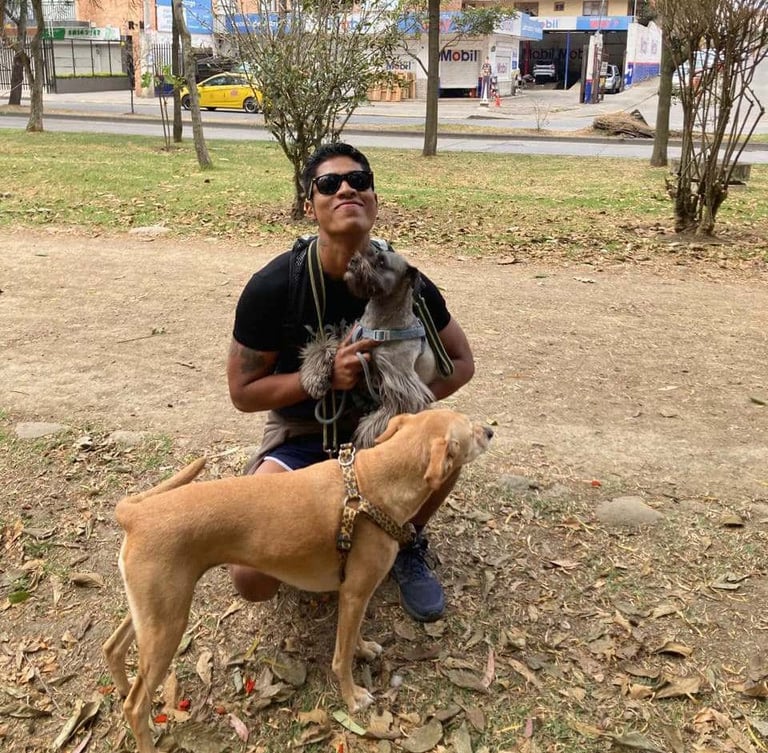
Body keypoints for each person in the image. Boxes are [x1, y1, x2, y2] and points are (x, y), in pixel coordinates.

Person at [226, 142, 474, 622]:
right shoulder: (276, 286)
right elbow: (242, 393)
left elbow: (462, 363)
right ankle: (321, 544)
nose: (346, 189)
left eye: (359, 181)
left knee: (449, 443)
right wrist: (323, 381)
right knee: (251, 578)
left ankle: (404, 541)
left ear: (375, 201)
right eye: (329, 184)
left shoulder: (405, 281)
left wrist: (402, 408)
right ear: (309, 205)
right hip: (303, 434)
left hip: (385, 437)